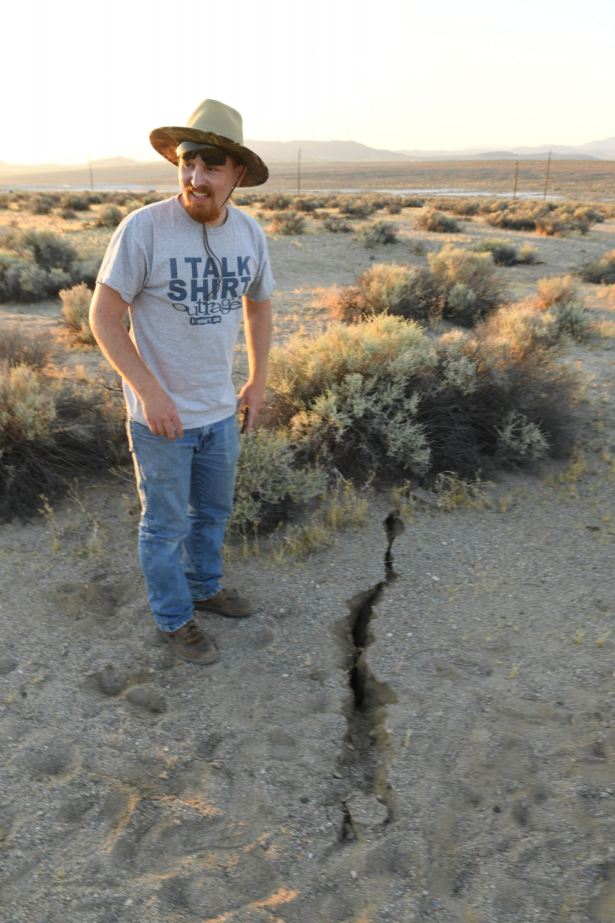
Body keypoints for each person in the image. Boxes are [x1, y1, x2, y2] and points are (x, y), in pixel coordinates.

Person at [90, 99, 274, 666]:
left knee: (214, 514)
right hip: (161, 419)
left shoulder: (248, 233)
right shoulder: (143, 229)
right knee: (165, 524)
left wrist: (258, 381)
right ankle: (175, 617)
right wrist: (149, 391)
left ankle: (205, 586)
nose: (196, 178)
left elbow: (259, 307)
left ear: (236, 174)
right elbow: (102, 316)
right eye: (187, 162)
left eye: (212, 165)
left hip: (220, 411)